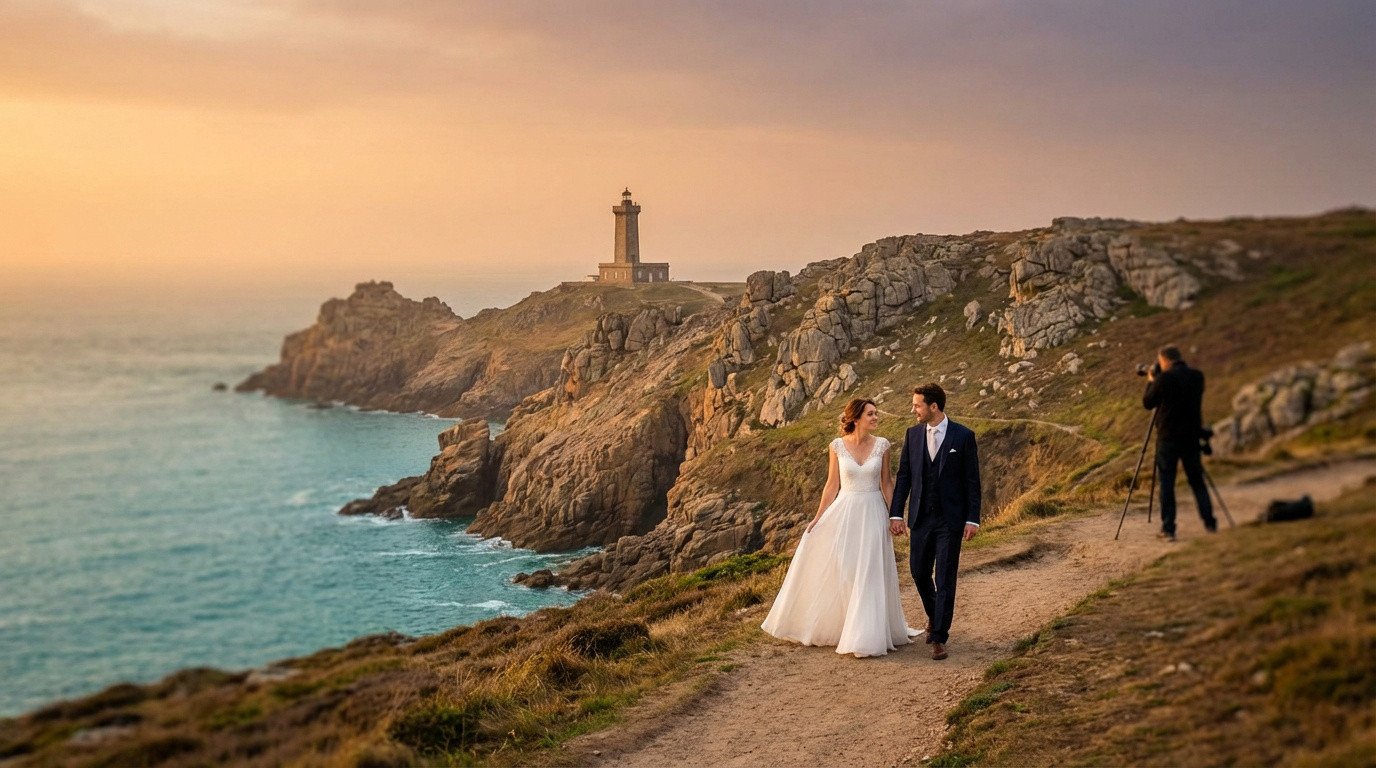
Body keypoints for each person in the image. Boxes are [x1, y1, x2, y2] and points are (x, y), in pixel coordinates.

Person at [761, 398, 913, 657]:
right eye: (871, 414)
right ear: (856, 418)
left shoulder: (883, 445)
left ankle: (867, 636)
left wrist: (896, 516)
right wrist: (818, 517)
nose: (876, 418)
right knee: (848, 570)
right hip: (846, 512)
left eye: (876, 414)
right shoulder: (837, 447)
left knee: (870, 570)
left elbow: (887, 483)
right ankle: (848, 626)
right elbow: (832, 486)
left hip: (874, 512)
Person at [888, 383, 981, 661]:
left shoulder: (963, 436)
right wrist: (896, 514)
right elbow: (904, 475)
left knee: (945, 577)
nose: (913, 410)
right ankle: (933, 614)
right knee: (918, 571)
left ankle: (939, 636)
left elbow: (972, 482)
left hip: (950, 520)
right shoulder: (912, 435)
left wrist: (972, 519)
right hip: (920, 517)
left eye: (917, 405)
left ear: (933, 406)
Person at [1142, 344, 1216, 541]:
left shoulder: (1163, 379)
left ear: (1164, 360)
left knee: (1167, 484)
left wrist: (1151, 381)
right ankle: (1210, 522)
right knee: (1197, 481)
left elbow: (1148, 402)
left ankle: (1168, 529)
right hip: (1191, 437)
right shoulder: (1197, 377)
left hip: (1168, 438)